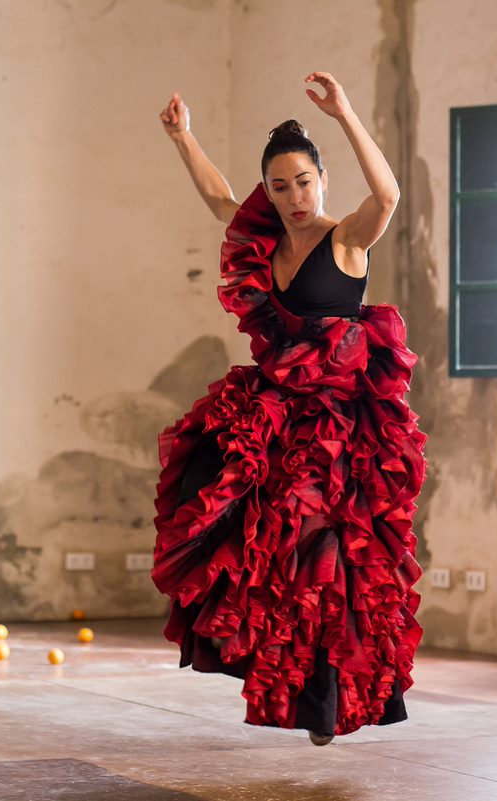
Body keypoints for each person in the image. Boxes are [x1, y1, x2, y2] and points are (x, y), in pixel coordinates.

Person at [151, 72, 428, 747]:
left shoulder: (347, 239)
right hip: (278, 410)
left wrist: (345, 113)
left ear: (321, 179)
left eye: (303, 182)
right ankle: (298, 682)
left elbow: (388, 194)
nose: (294, 197)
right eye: (280, 186)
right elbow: (220, 196)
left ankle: (328, 693)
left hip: (339, 425)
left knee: (325, 545)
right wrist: (184, 137)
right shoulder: (266, 241)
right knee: (245, 531)